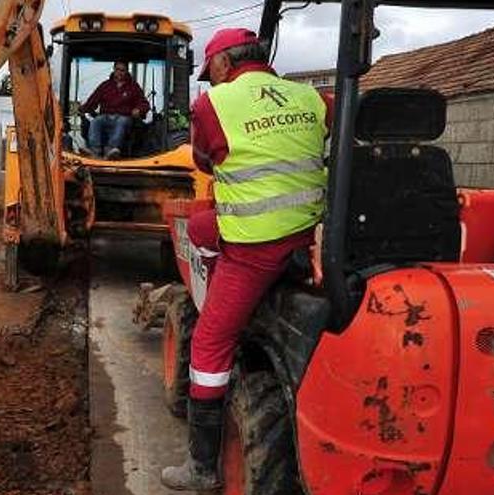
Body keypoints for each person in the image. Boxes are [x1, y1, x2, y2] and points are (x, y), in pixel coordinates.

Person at [160, 28, 334, 491]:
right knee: (201, 226)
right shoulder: (315, 98)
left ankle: (200, 469)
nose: (211, 81)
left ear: (221, 64)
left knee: (209, 347)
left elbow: (203, 162)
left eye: (210, 73)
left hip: (255, 247)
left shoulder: (212, 106)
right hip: (307, 234)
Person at [79, 61, 150, 159]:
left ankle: (111, 151)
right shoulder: (105, 85)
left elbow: (145, 104)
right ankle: (95, 152)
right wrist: (83, 108)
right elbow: (93, 100)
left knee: (121, 121)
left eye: (122, 70)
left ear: (126, 72)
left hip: (125, 117)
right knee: (96, 121)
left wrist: (139, 110)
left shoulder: (133, 87)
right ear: (114, 70)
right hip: (105, 116)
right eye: (117, 70)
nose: (119, 72)